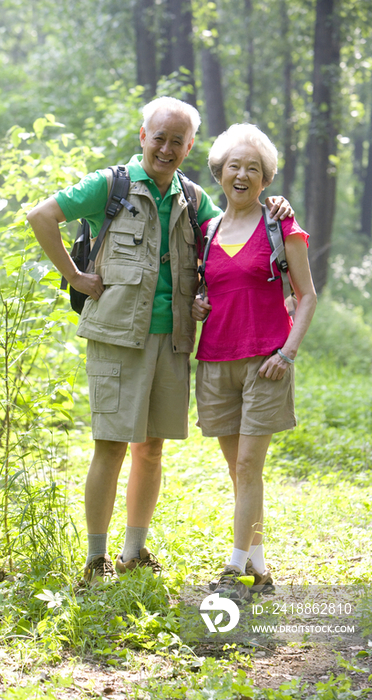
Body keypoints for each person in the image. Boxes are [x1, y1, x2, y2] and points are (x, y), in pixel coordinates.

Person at [27, 98, 293, 585]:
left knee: (151, 449)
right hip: (116, 336)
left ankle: (134, 550)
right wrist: (75, 275)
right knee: (110, 445)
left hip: (172, 340)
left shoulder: (192, 198)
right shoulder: (112, 185)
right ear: (143, 134)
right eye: (159, 137)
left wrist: (276, 204)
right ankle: (95, 558)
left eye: (178, 141)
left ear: (190, 146)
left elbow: (239, 220)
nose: (166, 148)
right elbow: (42, 215)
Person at [192, 123, 317, 601]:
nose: (241, 174)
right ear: (219, 173)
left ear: (266, 179)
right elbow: (205, 292)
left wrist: (288, 353)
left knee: (248, 464)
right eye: (233, 167)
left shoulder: (281, 225)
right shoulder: (206, 232)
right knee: (240, 471)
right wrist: (198, 304)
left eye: (253, 168)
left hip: (266, 360)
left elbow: (306, 297)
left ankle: (235, 570)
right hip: (215, 361)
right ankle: (260, 566)